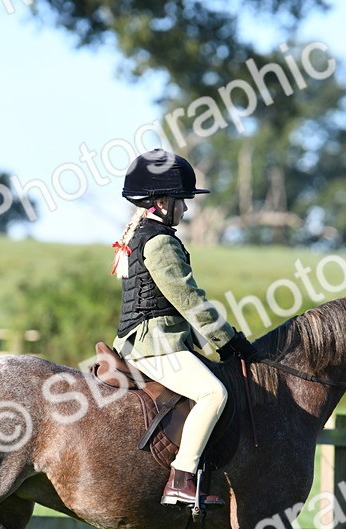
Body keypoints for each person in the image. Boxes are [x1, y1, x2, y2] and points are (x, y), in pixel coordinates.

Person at [110, 149, 257, 505]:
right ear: (162, 202)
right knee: (214, 393)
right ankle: (182, 477)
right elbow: (188, 298)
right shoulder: (159, 242)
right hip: (154, 344)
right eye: (182, 201)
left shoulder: (138, 234)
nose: (186, 209)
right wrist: (228, 340)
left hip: (142, 339)